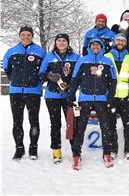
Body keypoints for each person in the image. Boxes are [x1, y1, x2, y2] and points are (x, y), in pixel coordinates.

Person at [67, 38, 117, 170]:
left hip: (102, 99)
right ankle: (76, 155)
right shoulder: (82, 61)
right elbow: (75, 79)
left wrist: (111, 97)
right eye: (93, 44)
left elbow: (113, 81)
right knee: (80, 128)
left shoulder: (107, 61)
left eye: (98, 45)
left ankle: (107, 154)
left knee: (106, 128)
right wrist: (71, 94)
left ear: (101, 47)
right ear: (89, 47)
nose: (95, 47)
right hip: (85, 99)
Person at [3, 26, 46, 160]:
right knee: (17, 122)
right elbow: (7, 69)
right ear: (19, 35)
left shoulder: (40, 52)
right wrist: (15, 81)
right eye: (23, 34)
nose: (26, 37)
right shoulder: (11, 51)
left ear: (32, 36)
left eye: (28, 35)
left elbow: (44, 70)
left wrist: (37, 81)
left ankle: (33, 149)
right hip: (16, 92)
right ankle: (19, 148)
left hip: (33, 92)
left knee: (34, 122)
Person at [38, 33, 79, 163]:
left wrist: (71, 86)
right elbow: (41, 75)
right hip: (52, 96)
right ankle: (56, 151)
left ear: (68, 43)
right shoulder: (49, 57)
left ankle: (75, 151)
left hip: (69, 96)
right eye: (59, 41)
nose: (61, 43)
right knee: (55, 124)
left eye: (64, 41)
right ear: (56, 43)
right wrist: (51, 76)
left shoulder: (75, 57)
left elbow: (80, 76)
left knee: (72, 124)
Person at [104, 33, 129, 160]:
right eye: (118, 40)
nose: (120, 43)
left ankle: (128, 149)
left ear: (126, 43)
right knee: (110, 124)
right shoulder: (106, 56)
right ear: (113, 42)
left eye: (123, 41)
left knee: (128, 125)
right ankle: (113, 148)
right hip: (111, 96)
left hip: (125, 96)